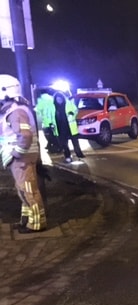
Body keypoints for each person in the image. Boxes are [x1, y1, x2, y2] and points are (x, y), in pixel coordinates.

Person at [0, 74, 47, 233]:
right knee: (23, 190)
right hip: (22, 159)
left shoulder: (15, 112)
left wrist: (15, 153)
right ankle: (26, 220)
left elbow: (25, 136)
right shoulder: (14, 110)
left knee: (29, 191)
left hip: (22, 159)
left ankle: (37, 224)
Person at [52, 90, 84, 163]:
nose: (59, 101)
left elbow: (76, 110)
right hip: (59, 128)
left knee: (75, 142)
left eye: (60, 99)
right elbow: (51, 116)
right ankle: (67, 156)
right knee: (64, 144)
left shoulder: (69, 103)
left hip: (70, 127)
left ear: (63, 98)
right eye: (57, 99)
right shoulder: (53, 107)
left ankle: (79, 154)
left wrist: (72, 113)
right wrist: (51, 124)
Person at [34, 87, 60, 154]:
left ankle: (52, 147)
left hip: (46, 121)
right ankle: (55, 146)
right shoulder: (52, 98)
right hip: (54, 120)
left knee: (48, 135)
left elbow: (37, 109)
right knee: (54, 134)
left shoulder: (41, 100)